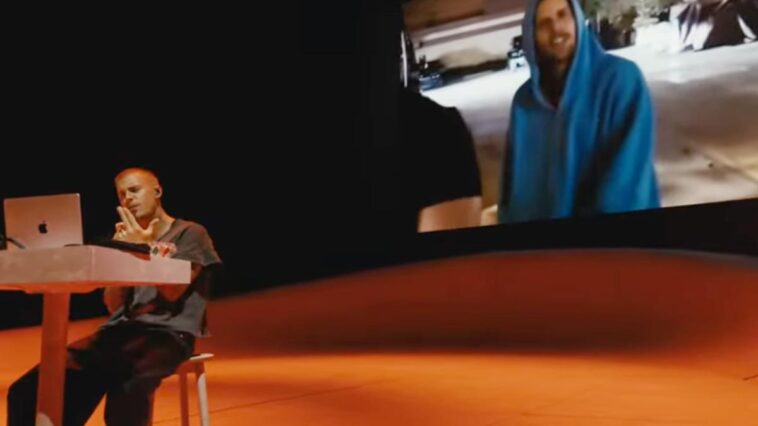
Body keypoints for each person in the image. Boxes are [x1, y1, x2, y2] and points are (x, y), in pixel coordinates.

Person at [7, 167, 221, 426]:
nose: (128, 198)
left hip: (168, 334)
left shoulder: (190, 233)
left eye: (134, 190)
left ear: (157, 191)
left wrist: (143, 248)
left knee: (128, 388)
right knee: (29, 390)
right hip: (119, 333)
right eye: (122, 194)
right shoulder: (124, 238)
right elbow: (113, 305)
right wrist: (120, 252)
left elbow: (173, 292)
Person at [498, 0, 660, 224]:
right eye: (544, 23)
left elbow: (626, 189)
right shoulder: (524, 102)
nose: (556, 29)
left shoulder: (620, 80)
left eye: (562, 15)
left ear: (576, 18)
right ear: (531, 36)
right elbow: (512, 190)